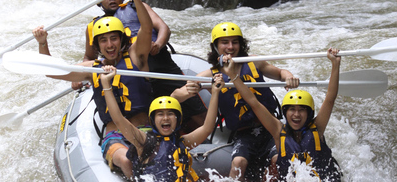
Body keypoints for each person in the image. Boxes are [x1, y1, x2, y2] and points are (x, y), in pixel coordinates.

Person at [35, 0, 153, 177]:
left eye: (114, 38)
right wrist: (42, 43)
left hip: (145, 130)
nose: (109, 45)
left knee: (154, 158)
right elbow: (51, 70)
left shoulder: (137, 57)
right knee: (127, 160)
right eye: (103, 40)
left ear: (122, 40)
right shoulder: (93, 69)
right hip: (115, 137)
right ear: (97, 46)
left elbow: (147, 28)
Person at [171, 22, 300, 181]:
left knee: (277, 160)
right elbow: (175, 96)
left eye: (235, 42)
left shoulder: (255, 62)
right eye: (225, 42)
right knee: (238, 162)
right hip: (243, 133)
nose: (230, 47)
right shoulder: (208, 76)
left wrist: (289, 77)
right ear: (216, 46)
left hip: (270, 127)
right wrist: (187, 91)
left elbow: (280, 73)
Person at [85, 0, 207, 133]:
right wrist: (82, 79)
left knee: (199, 116)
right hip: (135, 76)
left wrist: (158, 44)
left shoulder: (138, 7)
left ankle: (185, 137)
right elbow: (89, 57)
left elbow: (163, 29)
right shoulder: (95, 26)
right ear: (99, 0)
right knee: (155, 115)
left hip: (161, 65)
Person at [226, 48, 343, 181]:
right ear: (285, 112)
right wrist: (233, 75)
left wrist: (335, 64)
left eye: (302, 110)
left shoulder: (318, 127)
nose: (296, 115)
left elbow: (330, 98)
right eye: (292, 109)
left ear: (309, 113)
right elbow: (254, 103)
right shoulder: (278, 131)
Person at [100, 64, 224, 181]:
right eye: (160, 114)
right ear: (153, 120)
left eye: (170, 114)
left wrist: (215, 93)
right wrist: (106, 85)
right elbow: (118, 119)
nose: (165, 118)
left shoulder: (183, 142)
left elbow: (207, 128)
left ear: (178, 119)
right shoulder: (143, 141)